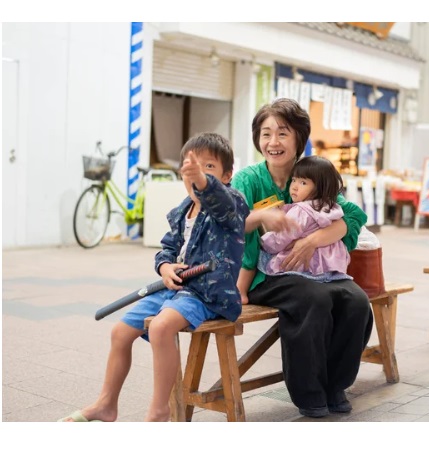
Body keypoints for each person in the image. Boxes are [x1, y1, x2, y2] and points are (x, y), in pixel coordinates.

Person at [59, 132, 249, 422]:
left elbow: (221, 203)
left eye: (208, 167)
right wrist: (165, 268)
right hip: (173, 291)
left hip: (209, 294)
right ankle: (106, 404)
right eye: (191, 167)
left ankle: (160, 411)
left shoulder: (232, 203)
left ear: (226, 175)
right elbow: (166, 251)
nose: (197, 173)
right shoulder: (180, 212)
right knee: (119, 333)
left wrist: (203, 181)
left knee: (161, 328)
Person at [231, 98, 373, 419]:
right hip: (261, 276)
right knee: (314, 299)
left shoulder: (311, 171)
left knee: (356, 301)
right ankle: (308, 393)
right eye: (265, 134)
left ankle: (335, 385)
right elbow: (234, 228)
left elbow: (349, 217)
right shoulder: (248, 180)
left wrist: (314, 239)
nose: (273, 142)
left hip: (315, 271)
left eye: (283, 133)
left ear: (299, 138)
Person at [258, 155, 351, 280]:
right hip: (332, 267)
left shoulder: (301, 211)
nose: (294, 186)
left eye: (303, 183)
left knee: (263, 258)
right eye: (294, 180)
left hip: (307, 267)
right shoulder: (332, 207)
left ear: (320, 187)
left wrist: (264, 243)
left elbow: (281, 238)